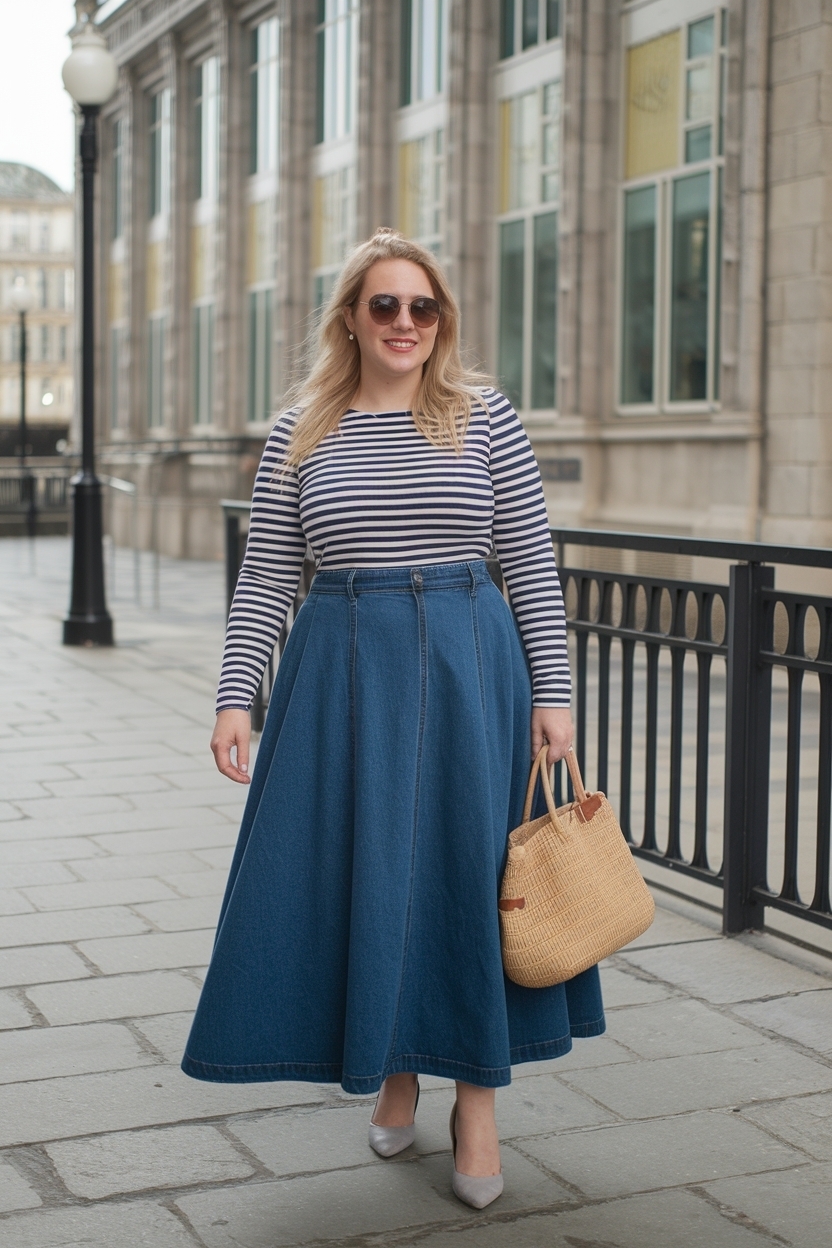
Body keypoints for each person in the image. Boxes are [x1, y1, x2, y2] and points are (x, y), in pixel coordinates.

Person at [181, 227, 605, 1209]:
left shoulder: (485, 419)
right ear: (351, 318)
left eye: (423, 306)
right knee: (370, 877)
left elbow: (533, 568)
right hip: (342, 676)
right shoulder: (303, 431)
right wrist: (234, 693)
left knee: (467, 878)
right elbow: (266, 580)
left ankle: (477, 1101)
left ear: (441, 318)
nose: (405, 322)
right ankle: (397, 1066)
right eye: (385, 305)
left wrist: (554, 694)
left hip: (470, 671)